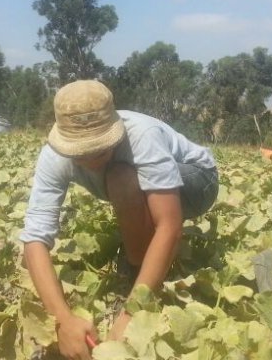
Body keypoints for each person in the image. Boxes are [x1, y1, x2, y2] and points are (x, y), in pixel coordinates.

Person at [20, 80, 219, 359]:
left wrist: (132, 311)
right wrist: (63, 320)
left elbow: (170, 225)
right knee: (120, 180)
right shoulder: (54, 155)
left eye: (99, 150)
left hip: (199, 178)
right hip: (137, 178)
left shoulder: (141, 135)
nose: (90, 161)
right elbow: (34, 239)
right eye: (80, 154)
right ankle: (141, 258)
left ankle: (139, 269)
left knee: (121, 178)